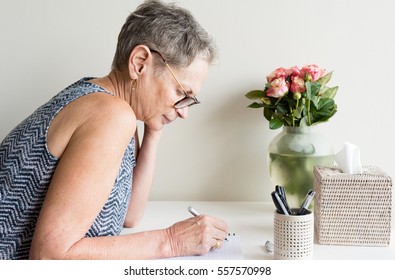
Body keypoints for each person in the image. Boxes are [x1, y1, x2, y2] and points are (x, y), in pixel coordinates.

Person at [0, 0, 228, 260]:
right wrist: (172, 241)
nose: (184, 111)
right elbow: (50, 257)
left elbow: (129, 214)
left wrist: (154, 130)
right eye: (181, 93)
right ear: (140, 63)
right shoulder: (109, 115)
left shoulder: (111, 104)